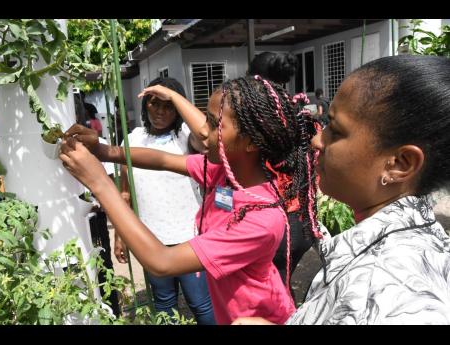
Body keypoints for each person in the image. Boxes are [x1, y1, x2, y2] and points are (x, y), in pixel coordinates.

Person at [59, 75, 320, 324]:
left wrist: (100, 183)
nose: (203, 133)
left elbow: (162, 262)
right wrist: (104, 151)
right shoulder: (225, 173)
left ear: (251, 141)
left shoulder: (261, 218)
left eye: (213, 124)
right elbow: (162, 160)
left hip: (260, 318)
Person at [232, 55, 450, 325]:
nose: (316, 140)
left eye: (334, 130)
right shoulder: (414, 239)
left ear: (399, 164)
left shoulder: (390, 293)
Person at [114, 77, 215, 325]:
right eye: (154, 103)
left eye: (167, 105)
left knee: (200, 303)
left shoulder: (186, 138)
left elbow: (207, 135)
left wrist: (176, 97)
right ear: (145, 105)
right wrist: (120, 235)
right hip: (151, 239)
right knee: (164, 304)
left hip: (190, 239)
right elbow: (125, 192)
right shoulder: (132, 139)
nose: (160, 111)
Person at [247, 51, 314, 299]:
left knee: (270, 293)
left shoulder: (259, 121)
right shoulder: (297, 113)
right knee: (280, 287)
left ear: (254, 80)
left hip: (276, 223)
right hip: (299, 219)